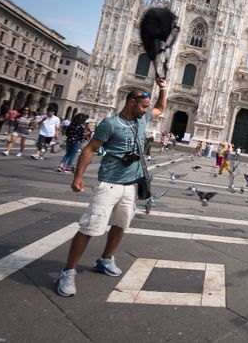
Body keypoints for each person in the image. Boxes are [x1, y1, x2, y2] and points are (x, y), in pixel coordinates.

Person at [56, 79, 168, 297]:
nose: (147, 110)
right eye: (144, 106)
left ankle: (105, 259)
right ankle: (68, 271)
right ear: (131, 102)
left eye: (147, 107)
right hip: (108, 184)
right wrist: (78, 176)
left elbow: (161, 108)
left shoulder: (142, 119)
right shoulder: (110, 123)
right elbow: (90, 149)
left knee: (120, 224)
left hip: (130, 186)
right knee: (90, 227)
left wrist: (163, 88)